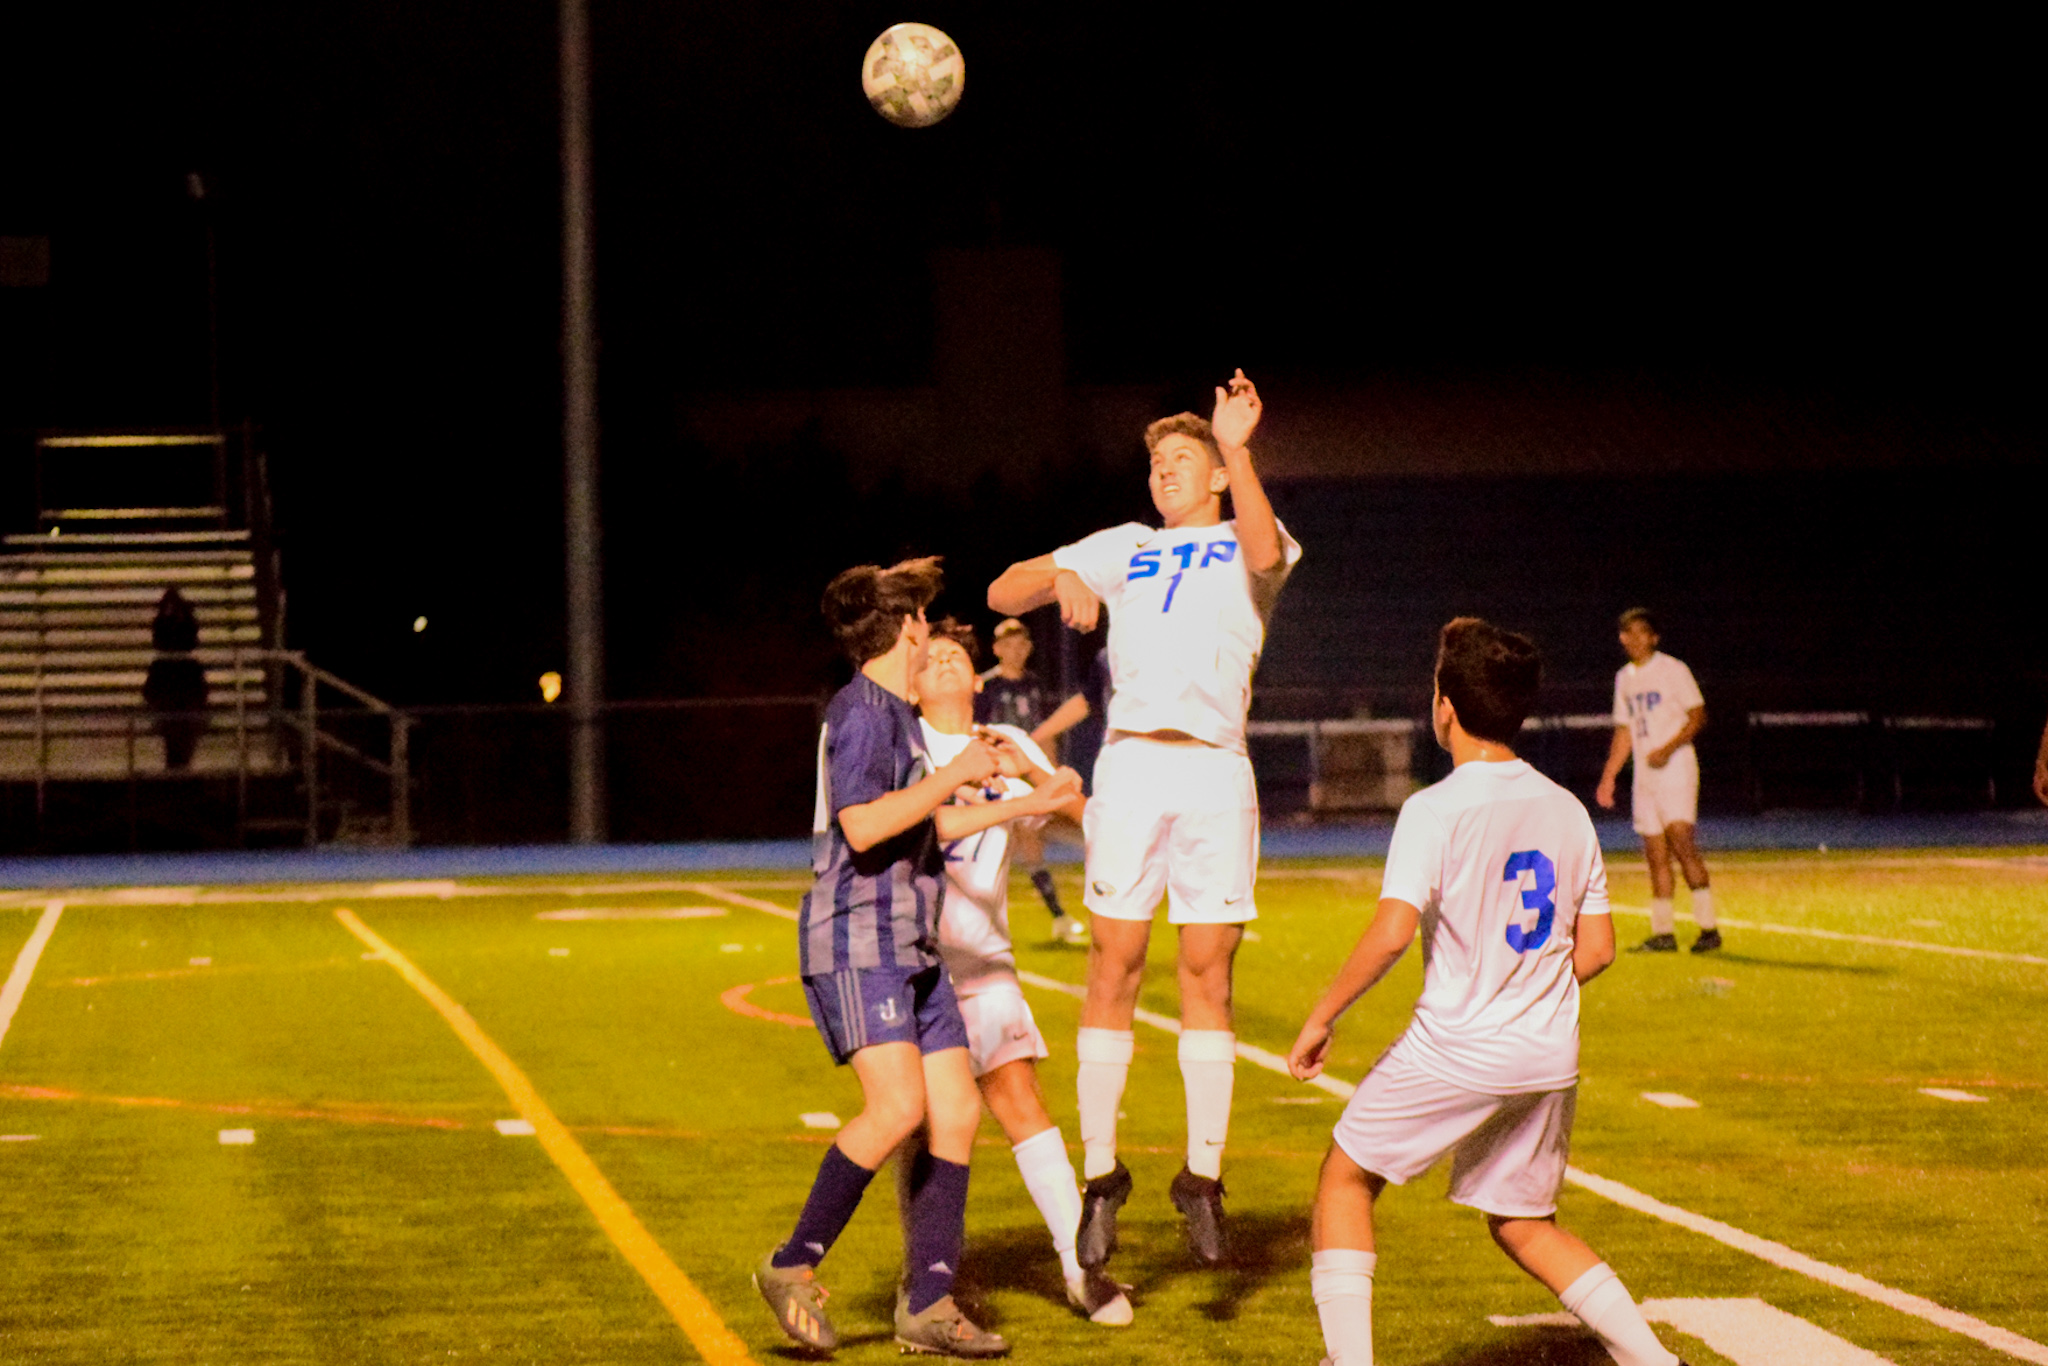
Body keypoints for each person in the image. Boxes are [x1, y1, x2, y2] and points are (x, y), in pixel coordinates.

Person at [1287, 618, 1686, 1366]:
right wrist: (1525, 992)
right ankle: (1654, 1362)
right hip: (1546, 1055)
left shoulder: (1435, 809)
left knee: (1344, 1178)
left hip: (1458, 1047)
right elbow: (1596, 950)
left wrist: (1320, 1017)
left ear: (1444, 706)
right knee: (1523, 1222)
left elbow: (1391, 933)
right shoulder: (1566, 808)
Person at [987, 369, 1299, 1270]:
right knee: (1113, 961)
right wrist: (1064, 580)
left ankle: (1201, 1178)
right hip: (1130, 762)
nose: (1163, 470)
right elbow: (1006, 592)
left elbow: (1266, 552)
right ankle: (1101, 1179)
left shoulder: (1251, 535)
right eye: (1155, 459)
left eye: (1180, 459)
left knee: (1208, 971)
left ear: (1214, 474)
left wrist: (1235, 446)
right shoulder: (1126, 541)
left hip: (1212, 769)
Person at [754, 556, 1074, 1359]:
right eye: (922, 618)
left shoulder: (895, 713)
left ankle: (929, 1301)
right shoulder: (863, 713)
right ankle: (791, 1265)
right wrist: (958, 774)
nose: (930, 629)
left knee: (956, 1112)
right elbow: (863, 828)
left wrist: (1011, 794)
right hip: (859, 936)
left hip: (912, 939)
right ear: (905, 629)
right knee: (898, 1108)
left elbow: (924, 826)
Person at [909, 619, 1133, 1325]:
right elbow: (923, 824)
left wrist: (1038, 775)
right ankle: (922, 1282)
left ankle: (1078, 1269)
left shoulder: (1010, 745)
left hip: (984, 960)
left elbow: (1084, 821)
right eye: (931, 658)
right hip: (912, 966)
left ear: (977, 681)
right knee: (926, 1124)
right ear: (911, 686)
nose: (945, 662)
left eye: (956, 658)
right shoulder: (904, 745)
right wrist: (1023, 800)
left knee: (1022, 1102)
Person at [1594, 608, 1719, 953]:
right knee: (1655, 853)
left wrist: (1668, 748)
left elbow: (1697, 715)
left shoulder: (1672, 669)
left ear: (1653, 637)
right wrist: (1609, 776)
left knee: (1681, 841)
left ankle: (1708, 928)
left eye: (1641, 632)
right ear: (1621, 639)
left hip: (1676, 766)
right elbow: (1625, 730)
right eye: (1627, 633)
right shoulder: (1625, 678)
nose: (1634, 639)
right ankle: (1663, 932)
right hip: (1645, 774)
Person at [976, 617, 1089, 946]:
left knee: (1034, 836)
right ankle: (1057, 916)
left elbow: (1044, 731)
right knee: (1018, 840)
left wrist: (1050, 771)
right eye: (1008, 643)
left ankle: (1058, 916)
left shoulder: (1033, 684)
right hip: (997, 774)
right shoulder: (986, 687)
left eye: (1021, 643)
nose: (1016, 649)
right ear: (996, 649)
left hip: (1028, 770)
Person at [142, 587, 208, 770]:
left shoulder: (174, 624)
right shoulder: (168, 624)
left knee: (180, 734)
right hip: (175, 679)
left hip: (176, 678)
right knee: (175, 734)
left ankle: (178, 764)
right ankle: (178, 764)